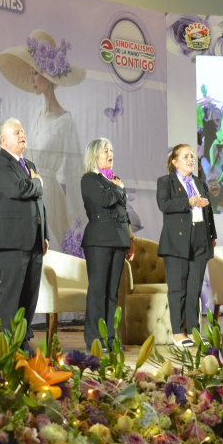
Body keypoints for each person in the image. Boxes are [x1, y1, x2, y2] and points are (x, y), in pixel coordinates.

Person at [0, 30, 85, 250]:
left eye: (35, 73)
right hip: (31, 192)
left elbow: (74, 172)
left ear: (48, 77)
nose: (32, 79)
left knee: (50, 251)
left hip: (50, 197)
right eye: (30, 73)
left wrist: (76, 219)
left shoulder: (66, 121)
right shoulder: (37, 116)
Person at [0, 117, 48, 352]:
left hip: (34, 237)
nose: (23, 135)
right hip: (12, 240)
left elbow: (39, 202)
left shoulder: (29, 164)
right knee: (12, 293)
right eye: (17, 132)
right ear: (4, 140)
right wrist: (38, 184)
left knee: (30, 294)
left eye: (23, 131)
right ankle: (7, 344)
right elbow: (17, 189)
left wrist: (44, 233)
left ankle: (22, 339)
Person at [157, 144, 217, 347]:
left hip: (200, 238)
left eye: (192, 156)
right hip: (177, 241)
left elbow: (209, 211)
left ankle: (193, 332)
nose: (191, 159)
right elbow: (164, 205)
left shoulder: (200, 182)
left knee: (194, 289)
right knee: (178, 289)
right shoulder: (166, 182)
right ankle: (178, 333)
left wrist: (212, 236)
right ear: (175, 162)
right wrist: (189, 202)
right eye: (185, 157)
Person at [80, 138, 134, 350]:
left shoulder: (114, 180)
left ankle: (110, 338)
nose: (110, 154)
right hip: (99, 241)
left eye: (111, 150)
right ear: (94, 155)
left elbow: (123, 212)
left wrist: (130, 239)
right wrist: (118, 188)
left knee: (112, 292)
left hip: (119, 239)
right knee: (98, 291)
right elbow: (105, 201)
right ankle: (95, 339)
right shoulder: (89, 179)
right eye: (105, 151)